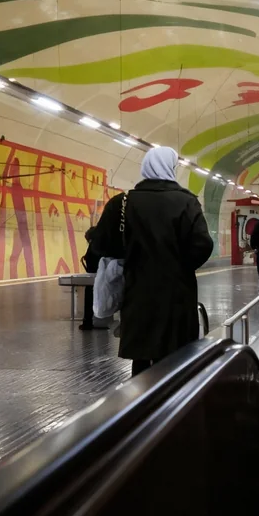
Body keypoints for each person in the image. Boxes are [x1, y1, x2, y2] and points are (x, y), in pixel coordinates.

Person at [91, 146, 214, 376]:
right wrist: (180, 266)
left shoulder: (122, 203)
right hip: (177, 295)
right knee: (175, 358)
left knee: (142, 356)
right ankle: (173, 395)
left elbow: (100, 245)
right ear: (171, 168)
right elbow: (203, 245)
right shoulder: (186, 202)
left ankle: (143, 395)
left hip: (137, 293)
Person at [79, 224, 106, 330]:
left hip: (93, 277)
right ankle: (100, 320)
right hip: (100, 277)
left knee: (90, 298)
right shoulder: (101, 244)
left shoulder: (94, 245)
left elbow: (91, 259)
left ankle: (88, 322)